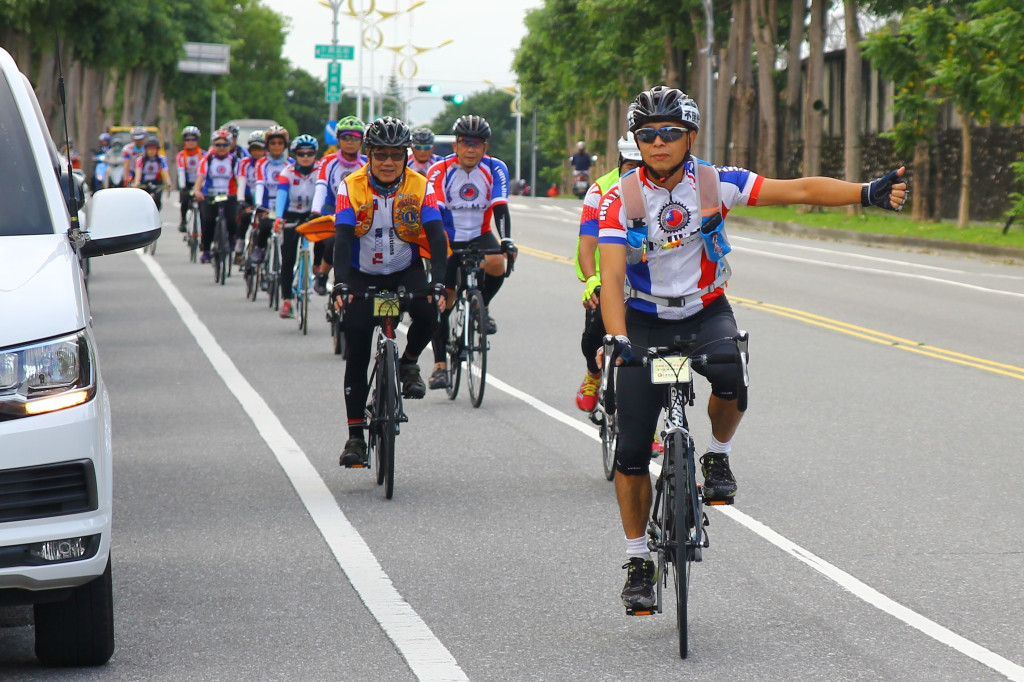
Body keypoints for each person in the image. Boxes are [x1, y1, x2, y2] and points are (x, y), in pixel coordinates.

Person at [599, 85, 908, 612]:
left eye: (669, 133)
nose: (658, 143)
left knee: (730, 371)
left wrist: (865, 192)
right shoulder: (620, 199)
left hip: (705, 309)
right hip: (645, 319)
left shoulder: (717, 184)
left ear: (690, 137)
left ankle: (716, 457)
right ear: (636, 141)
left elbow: (798, 189)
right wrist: (619, 340)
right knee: (630, 451)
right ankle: (636, 559)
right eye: (646, 134)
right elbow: (609, 280)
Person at [330, 117, 449, 467]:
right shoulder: (350, 186)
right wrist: (340, 284)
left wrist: (439, 282)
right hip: (361, 274)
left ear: (406, 157)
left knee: (430, 311)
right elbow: (342, 239)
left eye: (396, 155)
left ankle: (408, 361)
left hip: (403, 270)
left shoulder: (421, 185)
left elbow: (437, 237)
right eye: (380, 154)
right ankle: (355, 437)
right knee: (356, 346)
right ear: (368, 154)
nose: (387, 162)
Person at [425, 114, 515, 390]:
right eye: (465, 142)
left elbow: (500, 205)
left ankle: (481, 306)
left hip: (480, 232)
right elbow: (436, 212)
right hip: (448, 236)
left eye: (477, 143)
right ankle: (440, 366)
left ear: (485, 147)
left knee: (498, 261)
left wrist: (507, 239)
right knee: (443, 299)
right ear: (455, 145)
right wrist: (444, 253)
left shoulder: (495, 168)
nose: (471, 148)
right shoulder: (439, 170)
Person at [574, 132, 642, 413]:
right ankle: (593, 373)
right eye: (630, 167)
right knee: (594, 333)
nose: (637, 174)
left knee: (648, 353)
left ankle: (644, 421)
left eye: (643, 167)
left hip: (647, 277)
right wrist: (592, 279)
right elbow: (588, 243)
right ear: (619, 162)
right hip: (607, 275)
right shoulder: (600, 190)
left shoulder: (662, 186)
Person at [311, 115, 367, 295]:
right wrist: (315, 211)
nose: (350, 142)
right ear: (339, 139)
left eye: (355, 138)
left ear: (362, 140)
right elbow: (320, 186)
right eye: (345, 137)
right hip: (331, 212)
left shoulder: (366, 163)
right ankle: (322, 275)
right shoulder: (328, 161)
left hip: (360, 214)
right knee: (336, 241)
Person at [271, 134, 322, 319]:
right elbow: (281, 196)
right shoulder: (287, 172)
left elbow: (322, 192)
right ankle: (287, 301)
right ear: (295, 154)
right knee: (288, 258)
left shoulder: (320, 170)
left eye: (310, 153)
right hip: (291, 215)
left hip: (312, 213)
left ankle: (317, 266)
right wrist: (278, 218)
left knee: (325, 238)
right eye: (302, 153)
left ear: (315, 154)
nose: (306, 156)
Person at [193, 128, 242, 264]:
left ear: (230, 145)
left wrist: (240, 196)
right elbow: (200, 178)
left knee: (232, 220)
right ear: (213, 146)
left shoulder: (235, 161)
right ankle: (206, 250)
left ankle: (232, 238)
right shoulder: (207, 160)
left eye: (225, 145)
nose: (221, 148)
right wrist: (197, 191)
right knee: (207, 221)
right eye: (218, 145)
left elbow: (240, 180)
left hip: (229, 195)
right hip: (211, 195)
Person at [249, 125, 294, 266]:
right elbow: (260, 184)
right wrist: (258, 205)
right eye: (273, 143)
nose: (276, 146)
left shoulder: (291, 163)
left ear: (285, 145)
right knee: (264, 227)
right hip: (267, 205)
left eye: (280, 143)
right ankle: (260, 249)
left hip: (286, 206)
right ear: (267, 145)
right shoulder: (262, 163)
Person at [236, 131, 268, 265]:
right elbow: (241, 182)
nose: (257, 152)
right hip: (249, 197)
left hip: (265, 199)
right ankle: (240, 243)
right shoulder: (244, 163)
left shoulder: (268, 163)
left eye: (260, 149)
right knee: (244, 217)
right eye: (254, 149)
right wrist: (241, 200)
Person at [176, 126, 204, 232]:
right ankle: (183, 220)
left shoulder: (204, 154)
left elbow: (204, 172)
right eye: (188, 139)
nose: (191, 142)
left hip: (200, 183)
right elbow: (181, 172)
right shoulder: (181, 155)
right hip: (187, 183)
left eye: (193, 139)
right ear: (184, 141)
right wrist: (183, 187)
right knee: (185, 200)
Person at [130, 137, 171, 209]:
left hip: (156, 182)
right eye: (149, 149)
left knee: (157, 201)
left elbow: (165, 172)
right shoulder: (140, 160)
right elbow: (138, 173)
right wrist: (137, 183)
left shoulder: (161, 159)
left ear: (157, 150)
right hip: (144, 182)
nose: (151, 151)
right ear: (146, 150)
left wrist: (168, 183)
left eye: (154, 149)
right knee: (142, 202)